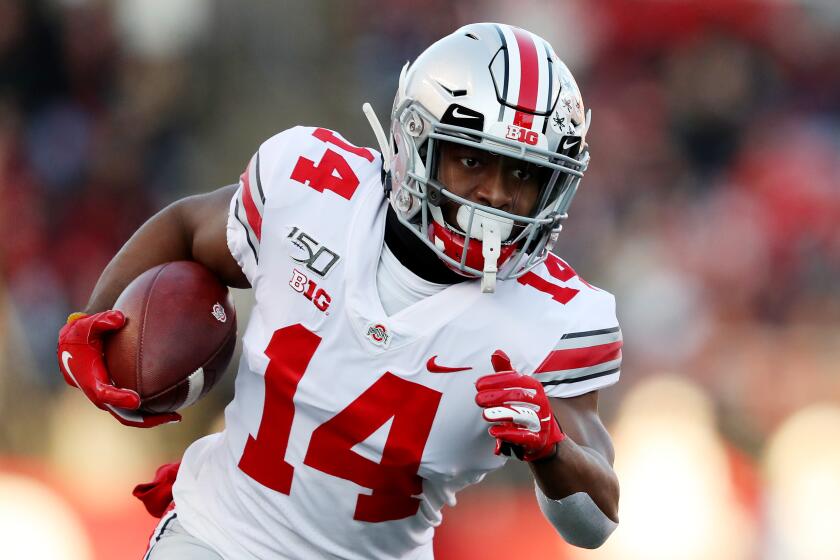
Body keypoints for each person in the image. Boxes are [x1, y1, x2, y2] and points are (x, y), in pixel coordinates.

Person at [57, 23, 622, 559]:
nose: (494, 195)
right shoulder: (313, 188)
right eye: (472, 160)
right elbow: (186, 227)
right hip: (220, 537)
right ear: (414, 139)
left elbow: (595, 521)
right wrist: (93, 321)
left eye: (523, 174)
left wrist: (550, 450)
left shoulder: (557, 318)